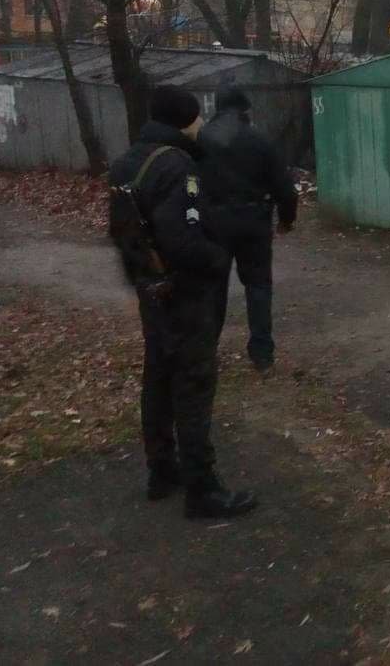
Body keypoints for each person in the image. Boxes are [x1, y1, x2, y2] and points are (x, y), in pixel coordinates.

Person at [108, 86, 257, 519]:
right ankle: (203, 488)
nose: (199, 126)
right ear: (185, 121)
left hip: (151, 290)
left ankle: (162, 470)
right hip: (185, 294)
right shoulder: (177, 167)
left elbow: (124, 231)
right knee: (192, 383)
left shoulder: (127, 162)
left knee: (157, 377)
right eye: (195, 119)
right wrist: (218, 259)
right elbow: (183, 240)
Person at [199, 85, 297, 372]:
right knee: (258, 286)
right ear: (245, 110)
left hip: (214, 224)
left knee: (213, 289)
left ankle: (207, 350)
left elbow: (188, 181)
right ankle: (262, 354)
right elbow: (284, 187)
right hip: (253, 222)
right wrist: (286, 219)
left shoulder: (202, 141)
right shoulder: (260, 140)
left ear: (217, 108)